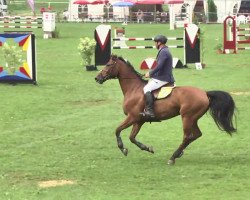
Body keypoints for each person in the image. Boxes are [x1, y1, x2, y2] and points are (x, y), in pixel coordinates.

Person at [140, 35, 175, 119]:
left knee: (146, 89)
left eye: (155, 42)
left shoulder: (163, 52)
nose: (155, 44)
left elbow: (159, 66)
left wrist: (150, 73)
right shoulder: (164, 50)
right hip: (162, 76)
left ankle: (150, 111)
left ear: (159, 43)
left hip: (163, 78)